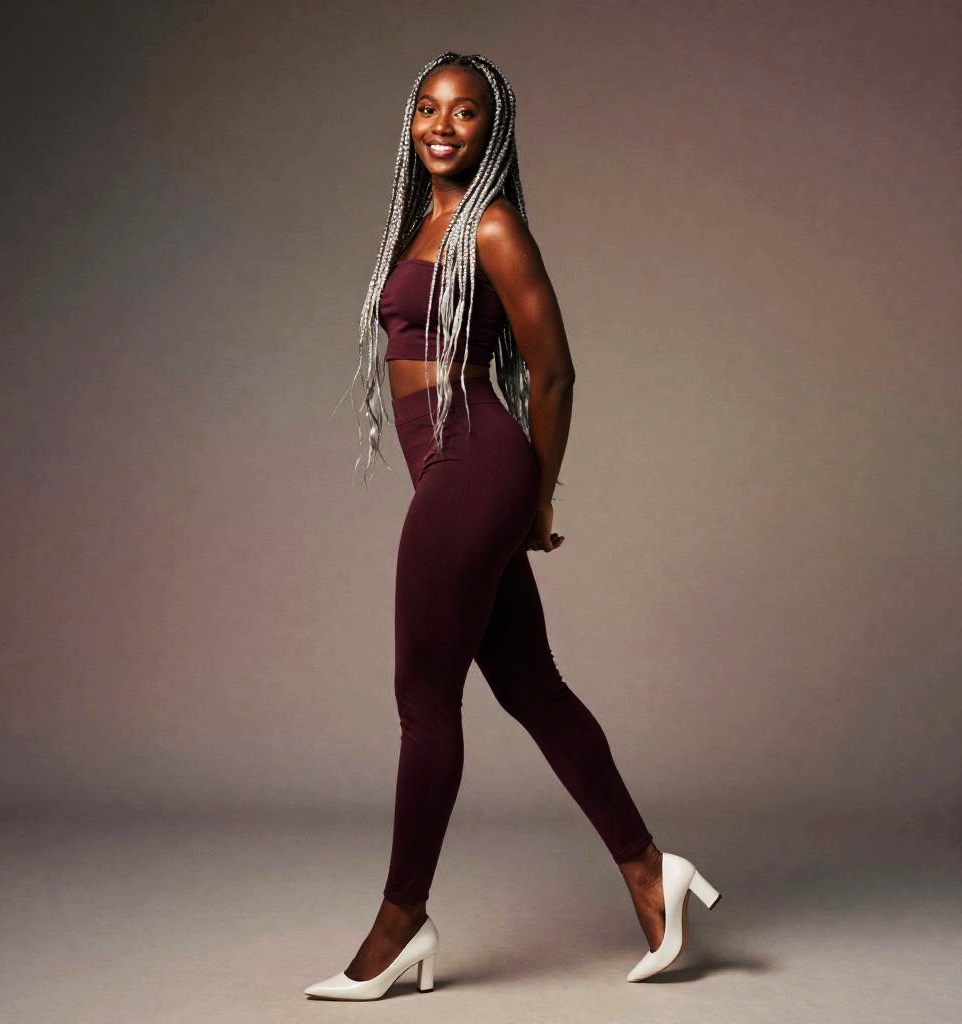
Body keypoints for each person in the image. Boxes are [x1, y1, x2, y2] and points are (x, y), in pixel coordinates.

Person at [306, 51, 721, 1002]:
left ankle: (401, 920)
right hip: (452, 472)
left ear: (495, 129)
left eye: (467, 112)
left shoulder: (492, 226)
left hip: (476, 464)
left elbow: (557, 368)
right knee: (532, 687)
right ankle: (651, 871)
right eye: (429, 108)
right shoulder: (422, 222)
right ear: (409, 121)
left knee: (423, 697)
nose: (444, 125)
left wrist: (537, 496)